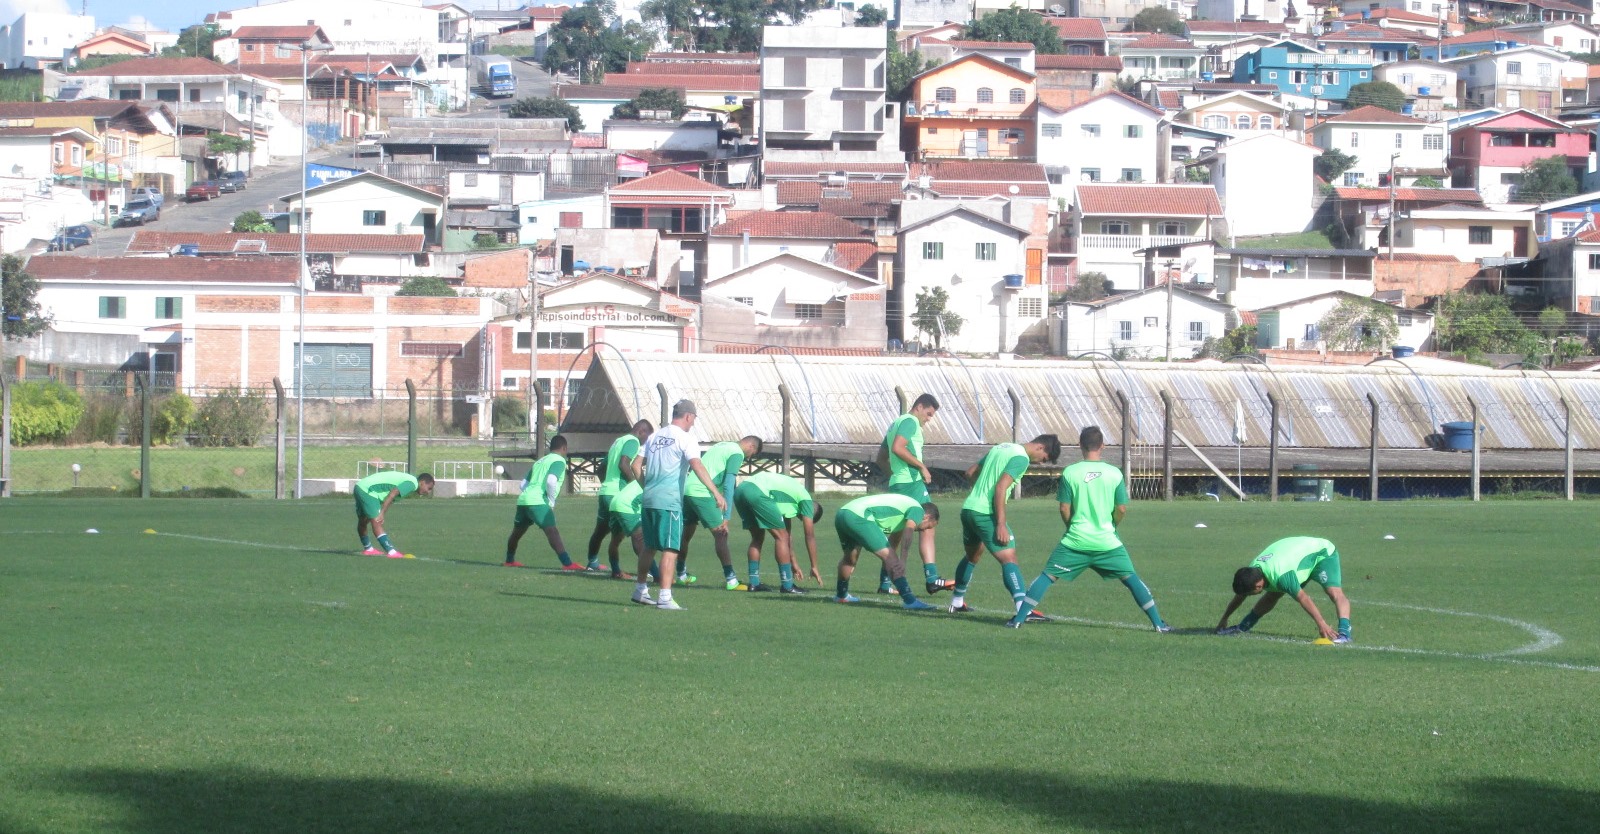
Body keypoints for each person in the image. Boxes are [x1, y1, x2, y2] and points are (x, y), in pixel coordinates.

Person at [1007, 426, 1171, 632]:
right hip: (1107, 542)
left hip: (1075, 541)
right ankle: (1158, 623)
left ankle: (1018, 620)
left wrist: (1072, 526)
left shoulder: (1071, 472)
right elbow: (1121, 509)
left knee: (1047, 577)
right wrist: (1111, 525)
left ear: (1080, 446)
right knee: (1131, 579)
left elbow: (1064, 507)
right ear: (1102, 446)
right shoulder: (1114, 474)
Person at [947, 434, 1061, 616]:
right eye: (1043, 459)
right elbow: (1001, 487)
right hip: (986, 513)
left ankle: (957, 602)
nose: (1040, 463)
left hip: (969, 509)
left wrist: (979, 492)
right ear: (1040, 447)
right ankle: (1022, 609)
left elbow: (970, 472)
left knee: (972, 556)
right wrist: (1000, 524)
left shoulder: (1001, 447)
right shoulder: (1021, 458)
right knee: (1009, 558)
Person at [634, 400, 725, 611]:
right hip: (669, 500)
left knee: (650, 546)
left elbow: (635, 465)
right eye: (693, 419)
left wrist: (646, 485)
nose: (693, 423)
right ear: (688, 416)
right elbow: (696, 464)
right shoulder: (685, 439)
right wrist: (715, 491)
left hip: (649, 499)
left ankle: (640, 590)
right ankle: (665, 596)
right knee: (670, 547)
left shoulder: (654, 436)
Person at [876, 394, 954, 596]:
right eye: (928, 414)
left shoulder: (895, 423)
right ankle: (931, 578)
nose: (929, 419)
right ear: (919, 406)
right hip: (911, 483)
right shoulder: (910, 421)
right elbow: (897, 448)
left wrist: (894, 476)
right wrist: (921, 466)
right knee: (928, 522)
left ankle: (885, 582)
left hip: (899, 483)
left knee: (897, 531)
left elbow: (882, 457)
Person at [1217, 536, 1352, 643]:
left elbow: (1303, 598)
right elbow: (1240, 596)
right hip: (1294, 557)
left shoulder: (1281, 576)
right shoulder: (1252, 572)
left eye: (1250, 594)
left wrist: (1322, 624)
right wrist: (1224, 618)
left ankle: (1345, 633)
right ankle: (1243, 627)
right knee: (1272, 595)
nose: (1249, 596)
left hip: (1321, 553)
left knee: (1334, 593)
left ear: (1258, 586)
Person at [679, 435, 763, 590]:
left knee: (685, 534)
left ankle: (680, 574)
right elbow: (730, 484)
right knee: (721, 533)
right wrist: (727, 516)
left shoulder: (723, 445)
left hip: (688, 490)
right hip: (701, 492)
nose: (749, 457)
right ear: (751, 447)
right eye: (752, 454)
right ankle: (731, 580)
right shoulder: (737, 453)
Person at [832, 493, 940, 611]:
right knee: (892, 559)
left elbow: (895, 539)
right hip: (859, 516)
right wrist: (902, 560)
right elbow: (908, 532)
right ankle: (910, 601)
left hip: (843, 513)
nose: (925, 530)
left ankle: (841, 595)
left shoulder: (904, 511)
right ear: (926, 517)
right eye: (929, 526)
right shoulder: (917, 509)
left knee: (850, 559)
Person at [734, 470, 824, 594]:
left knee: (757, 537)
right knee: (781, 537)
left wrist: (794, 563)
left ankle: (754, 584)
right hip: (757, 491)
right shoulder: (806, 500)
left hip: (741, 489)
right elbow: (809, 536)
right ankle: (787, 585)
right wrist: (814, 566)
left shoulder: (790, 501)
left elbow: (788, 535)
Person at [584, 420, 652, 576]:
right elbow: (624, 464)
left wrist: (608, 484)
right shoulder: (632, 441)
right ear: (641, 432)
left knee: (601, 531)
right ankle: (648, 570)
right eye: (646, 437)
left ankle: (593, 562)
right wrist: (633, 486)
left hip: (606, 492)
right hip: (618, 494)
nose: (645, 442)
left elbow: (600, 469)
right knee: (637, 533)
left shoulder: (618, 442)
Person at [505, 435, 575, 569]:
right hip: (538, 501)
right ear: (564, 448)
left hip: (524, 500)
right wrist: (551, 500)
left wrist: (530, 494)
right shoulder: (559, 460)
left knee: (517, 533)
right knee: (552, 531)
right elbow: (551, 480)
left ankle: (509, 560)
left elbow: (522, 484)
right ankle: (567, 564)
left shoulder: (539, 461)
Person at [354, 470, 435, 557]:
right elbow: (393, 493)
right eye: (429, 488)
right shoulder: (412, 483)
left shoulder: (409, 481)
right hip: (368, 490)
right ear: (422, 483)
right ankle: (391, 552)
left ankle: (368, 549)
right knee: (376, 521)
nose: (428, 492)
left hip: (360, 487)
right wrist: (382, 513)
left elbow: (391, 499)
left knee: (363, 520)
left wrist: (382, 512)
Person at [605, 479, 645, 569]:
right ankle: (656, 574)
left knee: (615, 540)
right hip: (627, 506)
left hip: (614, 503)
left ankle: (615, 571)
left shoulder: (640, 479)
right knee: (640, 541)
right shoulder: (656, 485)